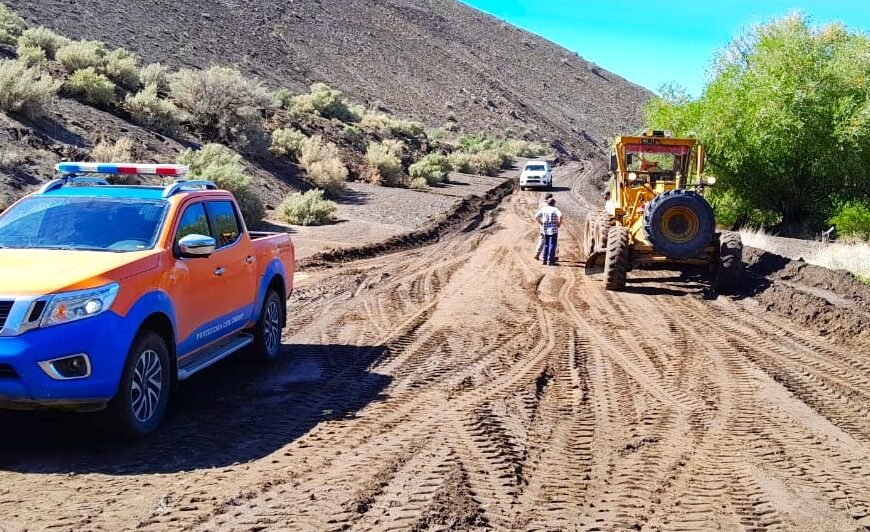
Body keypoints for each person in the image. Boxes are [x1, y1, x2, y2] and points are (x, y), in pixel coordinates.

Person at [535, 197, 562, 266]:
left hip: (545, 230)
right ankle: (550, 261)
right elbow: (560, 215)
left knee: (546, 244)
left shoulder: (544, 209)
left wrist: (541, 222)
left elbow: (536, 216)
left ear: (548, 203)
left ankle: (544, 260)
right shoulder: (555, 209)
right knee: (552, 245)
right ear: (554, 203)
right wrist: (559, 223)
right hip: (553, 230)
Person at [533, 193, 554, 260]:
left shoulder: (541, 203)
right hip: (548, 225)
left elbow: (537, 216)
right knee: (551, 241)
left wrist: (540, 222)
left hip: (542, 224)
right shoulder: (548, 205)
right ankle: (551, 256)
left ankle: (537, 254)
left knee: (542, 239)